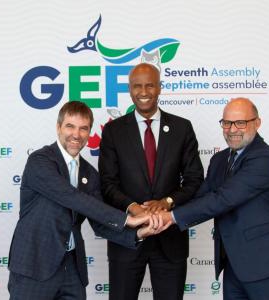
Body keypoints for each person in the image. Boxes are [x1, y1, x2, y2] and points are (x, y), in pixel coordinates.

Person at [7, 101, 163, 299]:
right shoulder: (40, 161)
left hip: (72, 268)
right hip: (34, 266)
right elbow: (70, 197)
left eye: (83, 128)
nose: (76, 135)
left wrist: (139, 232)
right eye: (70, 126)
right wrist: (128, 218)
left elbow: (100, 223)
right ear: (58, 127)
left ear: (89, 133)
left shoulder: (89, 173)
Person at [159, 98, 269, 300]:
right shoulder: (219, 160)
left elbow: (221, 199)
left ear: (257, 123)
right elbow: (201, 197)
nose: (232, 129)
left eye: (240, 123)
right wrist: (162, 210)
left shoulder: (264, 158)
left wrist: (170, 217)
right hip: (235, 268)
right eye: (226, 123)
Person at [98, 63, 204, 300]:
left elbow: (195, 178)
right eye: (137, 86)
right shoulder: (113, 131)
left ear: (159, 88)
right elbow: (107, 183)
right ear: (129, 89)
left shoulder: (182, 128)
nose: (143, 91)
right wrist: (134, 209)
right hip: (126, 239)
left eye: (149, 85)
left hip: (171, 240)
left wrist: (167, 201)